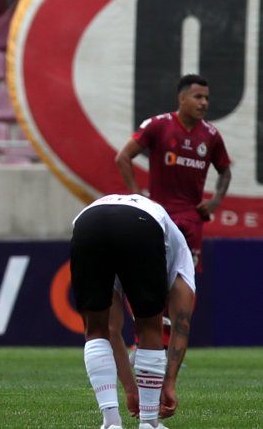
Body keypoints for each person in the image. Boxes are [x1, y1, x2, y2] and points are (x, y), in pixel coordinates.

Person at [115, 73, 230, 348]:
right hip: (159, 218)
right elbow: (123, 157)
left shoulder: (211, 135)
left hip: (192, 219)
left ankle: (170, 345)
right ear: (182, 98)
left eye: (206, 98)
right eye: (198, 97)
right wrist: (135, 194)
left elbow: (225, 171)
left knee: (184, 283)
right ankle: (143, 341)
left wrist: (214, 202)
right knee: (150, 280)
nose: (204, 103)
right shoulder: (158, 126)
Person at [70, 194, 195, 429]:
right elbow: (182, 323)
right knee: (149, 326)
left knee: (95, 329)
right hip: (141, 224)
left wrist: (130, 388)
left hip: (88, 222)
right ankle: (149, 423)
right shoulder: (182, 257)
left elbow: (111, 330)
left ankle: (110, 422)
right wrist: (169, 383)